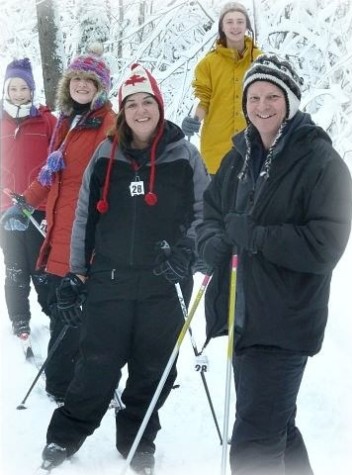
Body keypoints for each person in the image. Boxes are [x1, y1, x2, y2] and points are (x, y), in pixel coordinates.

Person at [39, 63, 210, 474]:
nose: (140, 110)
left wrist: (187, 253)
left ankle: (137, 438)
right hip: (109, 280)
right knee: (95, 363)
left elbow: (205, 214)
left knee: (154, 368)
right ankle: (65, 435)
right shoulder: (105, 153)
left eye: (147, 101)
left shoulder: (185, 154)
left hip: (165, 282)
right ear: (123, 110)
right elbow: (85, 217)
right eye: (131, 103)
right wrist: (77, 273)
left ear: (160, 106)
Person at [196, 54, 352, 475]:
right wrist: (211, 242)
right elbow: (209, 212)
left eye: (272, 96)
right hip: (242, 315)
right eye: (254, 97)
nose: (262, 106)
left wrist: (258, 236)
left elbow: (327, 244)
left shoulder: (321, 162)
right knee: (275, 428)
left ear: (291, 101)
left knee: (253, 448)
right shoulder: (239, 155)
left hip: (284, 321)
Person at [1, 44, 115, 403]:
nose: (81, 85)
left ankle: (81, 378)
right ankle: (62, 382)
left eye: (89, 80)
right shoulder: (68, 122)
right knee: (61, 304)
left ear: (100, 87)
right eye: (76, 78)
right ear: (68, 84)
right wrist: (25, 206)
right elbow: (51, 174)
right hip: (58, 225)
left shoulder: (108, 123)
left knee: (78, 308)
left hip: (86, 229)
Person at [0, 58, 56, 338]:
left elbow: (59, 158)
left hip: (39, 207)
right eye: (14, 88)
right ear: (6, 90)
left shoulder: (46, 120)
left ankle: (53, 311)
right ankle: (19, 319)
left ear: (32, 90)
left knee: (41, 265)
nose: (19, 93)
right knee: (14, 268)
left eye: (24, 88)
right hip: (7, 209)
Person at [181, 2, 262, 175]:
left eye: (240, 21)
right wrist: (194, 120)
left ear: (246, 25)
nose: (235, 26)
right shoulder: (208, 64)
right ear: (222, 27)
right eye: (230, 21)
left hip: (254, 148)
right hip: (216, 151)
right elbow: (203, 99)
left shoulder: (259, 60)